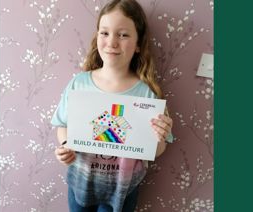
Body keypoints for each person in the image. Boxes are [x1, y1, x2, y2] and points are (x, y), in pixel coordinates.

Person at [51, 0, 174, 211]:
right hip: (80, 182)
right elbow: (62, 124)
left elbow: (156, 151)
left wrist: (161, 135)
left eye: (123, 34)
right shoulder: (79, 83)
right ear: (97, 36)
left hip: (122, 190)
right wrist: (66, 145)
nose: (112, 42)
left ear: (138, 44)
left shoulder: (146, 94)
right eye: (105, 33)